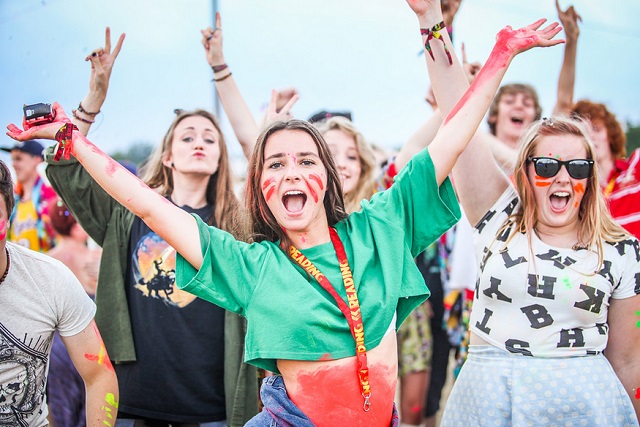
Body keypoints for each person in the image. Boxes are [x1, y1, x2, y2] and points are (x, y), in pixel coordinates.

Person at [6, 8, 562, 426]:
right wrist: (74, 140)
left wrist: (496, 53)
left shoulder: (381, 227)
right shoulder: (251, 265)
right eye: (274, 163)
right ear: (260, 190)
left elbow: (454, 135)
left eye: (305, 160)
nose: (291, 172)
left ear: (328, 178)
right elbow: (146, 202)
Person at [417, 5, 639, 424]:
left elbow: (628, 362)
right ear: (526, 172)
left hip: (585, 409)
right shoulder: (498, 217)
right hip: (490, 403)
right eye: (547, 166)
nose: (562, 177)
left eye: (577, 167)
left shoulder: (622, 250)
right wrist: (430, 19)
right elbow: (456, 111)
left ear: (591, 177)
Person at [44, 28, 259, 426]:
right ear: (169, 156)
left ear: (220, 159)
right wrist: (93, 101)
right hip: (132, 401)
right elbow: (65, 166)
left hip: (213, 406)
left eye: (210, 139)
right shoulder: (128, 212)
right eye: (188, 137)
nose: (199, 143)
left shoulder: (237, 225)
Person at [0, 159, 118, 426]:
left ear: (8, 216)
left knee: (62, 403)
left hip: (74, 336)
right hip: (68, 339)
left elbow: (99, 375)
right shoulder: (89, 256)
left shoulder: (50, 272)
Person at [46, 199, 102, 427]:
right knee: (91, 398)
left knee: (62, 404)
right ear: (76, 225)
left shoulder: (47, 259)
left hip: (57, 344)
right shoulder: (95, 257)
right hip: (89, 339)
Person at [0, 138, 57, 251]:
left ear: (36, 160)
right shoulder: (13, 202)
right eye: (12, 159)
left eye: (19, 159)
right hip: (18, 261)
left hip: (45, 261)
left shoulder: (52, 198)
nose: (14, 164)